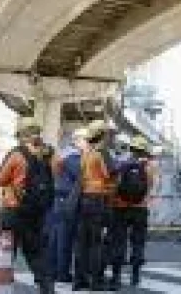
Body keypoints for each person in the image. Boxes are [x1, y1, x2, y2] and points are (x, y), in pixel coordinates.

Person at [0, 122, 55, 294]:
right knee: (35, 252)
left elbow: (1, 180)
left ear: (23, 135)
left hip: (14, 210)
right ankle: (47, 287)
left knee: (6, 251)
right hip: (36, 211)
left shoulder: (16, 155)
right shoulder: (47, 155)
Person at [107, 135, 157, 288]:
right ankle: (135, 277)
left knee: (118, 242)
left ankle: (116, 278)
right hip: (140, 209)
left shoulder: (122, 163)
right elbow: (151, 188)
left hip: (120, 207)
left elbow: (115, 185)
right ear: (145, 150)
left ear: (131, 149)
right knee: (138, 243)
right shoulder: (151, 167)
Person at [73, 120, 115, 291]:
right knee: (97, 242)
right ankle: (96, 282)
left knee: (82, 242)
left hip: (85, 200)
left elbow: (83, 175)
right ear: (103, 135)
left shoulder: (86, 153)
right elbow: (109, 175)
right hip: (99, 200)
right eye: (109, 134)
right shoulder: (101, 153)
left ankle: (79, 280)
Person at [47, 130, 83, 283]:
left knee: (55, 237)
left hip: (57, 199)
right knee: (65, 238)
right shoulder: (74, 157)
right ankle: (62, 272)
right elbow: (81, 177)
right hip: (67, 200)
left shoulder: (60, 154)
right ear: (78, 140)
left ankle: (52, 270)